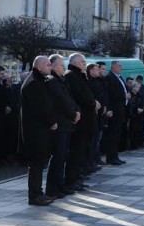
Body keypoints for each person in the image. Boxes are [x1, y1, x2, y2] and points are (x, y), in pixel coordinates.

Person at [21, 55, 57, 206]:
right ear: (39, 66)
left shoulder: (39, 80)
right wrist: (52, 121)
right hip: (36, 131)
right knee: (36, 164)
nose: (50, 67)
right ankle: (34, 195)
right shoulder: (34, 83)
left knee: (39, 163)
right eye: (48, 65)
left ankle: (38, 193)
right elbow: (41, 107)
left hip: (40, 129)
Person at [45, 55, 79, 198]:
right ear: (53, 66)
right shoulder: (52, 81)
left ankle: (60, 185)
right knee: (58, 157)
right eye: (61, 65)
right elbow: (61, 101)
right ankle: (53, 189)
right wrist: (73, 114)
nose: (64, 68)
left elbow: (70, 98)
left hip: (67, 123)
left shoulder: (61, 80)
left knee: (62, 156)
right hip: (60, 124)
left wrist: (77, 111)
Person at [66, 53, 98, 186]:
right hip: (80, 120)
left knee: (82, 150)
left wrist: (94, 102)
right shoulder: (71, 76)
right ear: (74, 62)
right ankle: (72, 179)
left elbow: (87, 93)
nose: (84, 64)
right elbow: (79, 96)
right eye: (82, 62)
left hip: (87, 119)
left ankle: (78, 176)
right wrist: (92, 103)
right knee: (76, 150)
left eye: (84, 62)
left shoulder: (80, 75)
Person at [103, 60, 128, 165]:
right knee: (112, 136)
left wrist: (127, 94)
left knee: (117, 135)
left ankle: (115, 156)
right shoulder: (110, 78)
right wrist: (124, 96)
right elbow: (111, 94)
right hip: (114, 111)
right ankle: (110, 158)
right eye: (119, 66)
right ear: (113, 67)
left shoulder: (119, 77)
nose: (121, 68)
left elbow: (124, 90)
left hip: (121, 110)